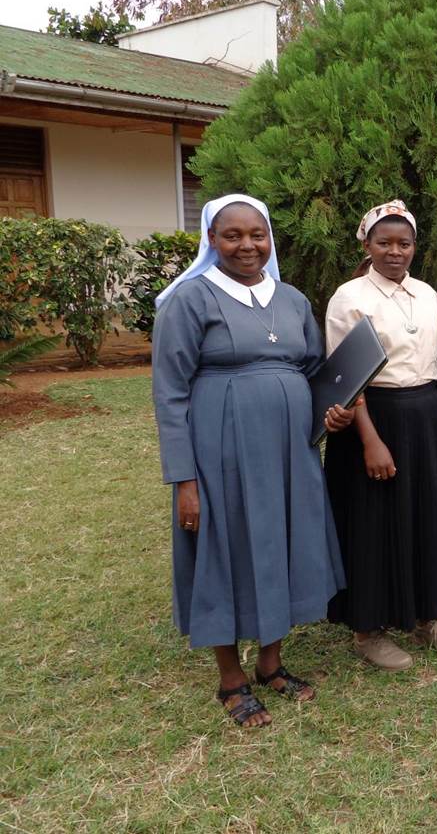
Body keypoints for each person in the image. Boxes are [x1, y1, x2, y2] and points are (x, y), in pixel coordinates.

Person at [152, 194, 354, 728]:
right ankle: (230, 679)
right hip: (221, 453)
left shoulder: (290, 299)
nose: (247, 245)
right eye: (232, 235)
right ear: (211, 240)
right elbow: (169, 395)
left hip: (290, 451)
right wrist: (184, 481)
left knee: (283, 542)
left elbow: (315, 372)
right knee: (226, 548)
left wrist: (327, 416)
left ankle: (271, 663)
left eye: (257, 234)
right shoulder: (189, 300)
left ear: (270, 239)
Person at [324, 200, 437, 669]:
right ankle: (368, 629)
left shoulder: (428, 294)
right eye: (385, 242)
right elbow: (346, 376)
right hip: (372, 416)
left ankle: (427, 615)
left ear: (415, 247)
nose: (395, 252)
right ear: (367, 245)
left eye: (404, 243)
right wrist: (370, 440)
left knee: (426, 514)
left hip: (425, 415)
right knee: (373, 522)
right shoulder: (349, 298)